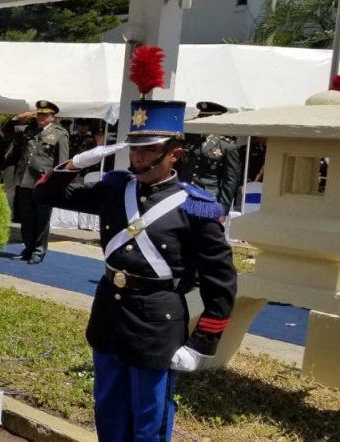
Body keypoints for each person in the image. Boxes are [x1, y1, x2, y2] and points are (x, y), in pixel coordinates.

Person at [35, 101, 236, 441]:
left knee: (149, 420)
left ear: (175, 153)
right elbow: (45, 193)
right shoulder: (114, 189)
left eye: (150, 150)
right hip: (109, 313)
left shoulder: (195, 206)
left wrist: (202, 342)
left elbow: (222, 283)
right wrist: (77, 163)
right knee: (109, 411)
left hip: (157, 321)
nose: (140, 158)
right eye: (136, 149)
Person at [7, 100, 69, 264]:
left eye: (44, 114)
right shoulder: (29, 130)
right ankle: (28, 248)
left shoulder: (60, 134)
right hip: (24, 180)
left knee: (42, 218)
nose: (41, 117)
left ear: (52, 116)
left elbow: (62, 163)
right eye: (39, 114)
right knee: (26, 218)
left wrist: (55, 185)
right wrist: (18, 118)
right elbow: (7, 131)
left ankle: (39, 251)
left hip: (43, 183)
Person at [179, 102, 241, 217]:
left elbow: (230, 180)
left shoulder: (227, 145)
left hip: (207, 200)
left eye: (206, 118)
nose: (203, 122)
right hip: (183, 195)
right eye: (201, 118)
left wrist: (223, 209)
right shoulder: (189, 140)